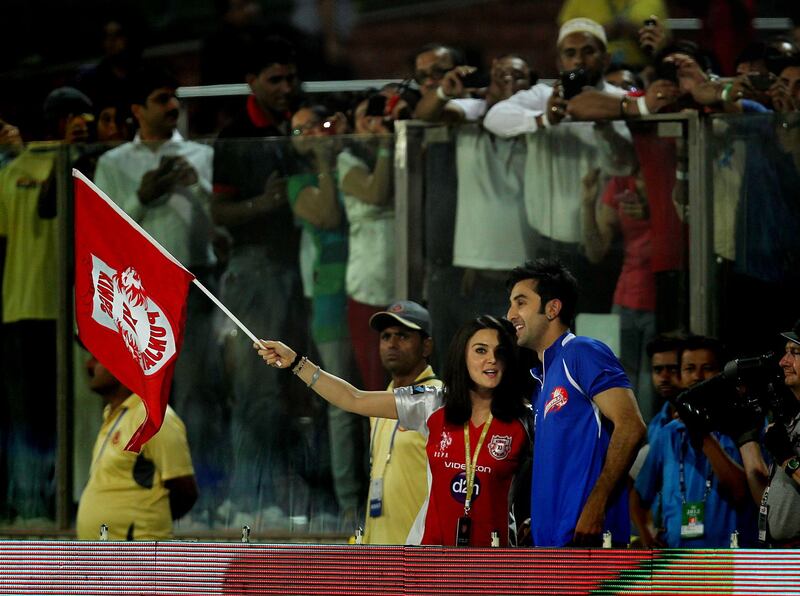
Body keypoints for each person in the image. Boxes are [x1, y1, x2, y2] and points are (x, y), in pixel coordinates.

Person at [255, 315, 530, 547]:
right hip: (429, 560)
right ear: (463, 355)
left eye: (500, 352)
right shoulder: (434, 401)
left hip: (497, 567)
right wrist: (296, 363)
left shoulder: (525, 419)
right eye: (480, 350)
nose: (491, 360)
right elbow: (354, 399)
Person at [93, 68, 224, 524]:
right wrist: (142, 198)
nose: (172, 107)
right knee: (146, 391)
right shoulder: (113, 163)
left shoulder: (201, 155)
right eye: (161, 97)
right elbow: (105, 233)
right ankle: (143, 489)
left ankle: (204, 494)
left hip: (193, 286)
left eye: (175, 99)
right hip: (137, 295)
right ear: (137, 110)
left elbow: (218, 227)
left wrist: (196, 188)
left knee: (200, 390)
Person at [211, 36, 307, 526]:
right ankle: (247, 499)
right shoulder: (233, 138)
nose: (286, 87)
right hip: (254, 271)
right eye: (275, 79)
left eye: (291, 78)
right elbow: (219, 210)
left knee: (288, 390)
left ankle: (269, 493)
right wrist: (264, 205)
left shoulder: (301, 130)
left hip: (299, 271)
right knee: (256, 388)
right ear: (251, 81)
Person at [484, 19, 634, 313]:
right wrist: (544, 119)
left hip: (601, 247)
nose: (578, 59)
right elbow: (494, 118)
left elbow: (625, 163)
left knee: (595, 334)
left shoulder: (617, 101)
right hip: (546, 247)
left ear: (605, 58)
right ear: (559, 60)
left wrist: (602, 125)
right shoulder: (542, 97)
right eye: (570, 52)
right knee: (547, 337)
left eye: (588, 51)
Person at [0, 86, 94, 524]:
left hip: (68, 311)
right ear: (53, 120)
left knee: (62, 415)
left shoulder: (86, 168)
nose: (81, 122)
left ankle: (60, 506)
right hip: (20, 307)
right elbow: (42, 210)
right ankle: (28, 506)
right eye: (71, 115)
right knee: (25, 415)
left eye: (85, 116)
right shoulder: (14, 168)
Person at [505, 259, 646, 546]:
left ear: (552, 308)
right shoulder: (542, 380)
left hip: (588, 541)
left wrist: (596, 504)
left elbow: (631, 426)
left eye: (521, 303)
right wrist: (542, 518)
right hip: (552, 544)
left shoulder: (581, 352)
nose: (510, 314)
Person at [287, 105, 366, 526]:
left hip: (371, 289)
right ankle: (350, 501)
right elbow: (329, 216)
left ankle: (381, 490)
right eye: (300, 130)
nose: (312, 133)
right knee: (339, 400)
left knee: (375, 390)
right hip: (331, 298)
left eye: (319, 124)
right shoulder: (299, 182)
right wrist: (322, 163)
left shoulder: (356, 163)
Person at [634, 335, 755, 547]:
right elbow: (638, 496)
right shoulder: (668, 434)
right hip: (676, 562)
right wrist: (647, 538)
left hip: (729, 563)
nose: (697, 376)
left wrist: (703, 435)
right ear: (679, 376)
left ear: (721, 374)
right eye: (689, 369)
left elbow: (741, 493)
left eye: (707, 368)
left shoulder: (742, 426)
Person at [76, 351, 197, 540]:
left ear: (125, 366)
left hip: (137, 560)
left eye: (97, 358)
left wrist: (145, 522)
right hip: (107, 559)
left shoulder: (153, 418)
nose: (88, 366)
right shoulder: (113, 415)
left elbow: (184, 491)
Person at [363, 300, 442, 544]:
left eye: (403, 336)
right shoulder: (380, 404)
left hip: (419, 555)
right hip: (377, 556)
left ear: (426, 346)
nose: (391, 344)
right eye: (385, 336)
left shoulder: (438, 398)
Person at [581, 167, 656, 421]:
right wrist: (588, 205)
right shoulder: (621, 183)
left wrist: (655, 210)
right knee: (624, 377)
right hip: (625, 297)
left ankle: (645, 444)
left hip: (661, 297)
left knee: (649, 379)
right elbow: (595, 251)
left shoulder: (665, 176)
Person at [734, 321, 800, 546]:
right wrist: (746, 438)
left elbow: (789, 462)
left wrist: (788, 459)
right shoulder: (789, 421)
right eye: (785, 353)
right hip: (782, 555)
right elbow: (765, 498)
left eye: (795, 353)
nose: (783, 362)